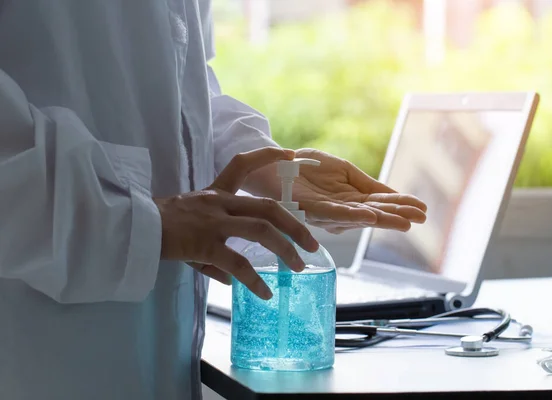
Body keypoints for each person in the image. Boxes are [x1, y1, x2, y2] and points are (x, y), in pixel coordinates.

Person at [0, 1, 427, 399]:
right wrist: (147, 224)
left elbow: (185, 80)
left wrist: (266, 162)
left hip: (158, 348)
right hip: (37, 345)